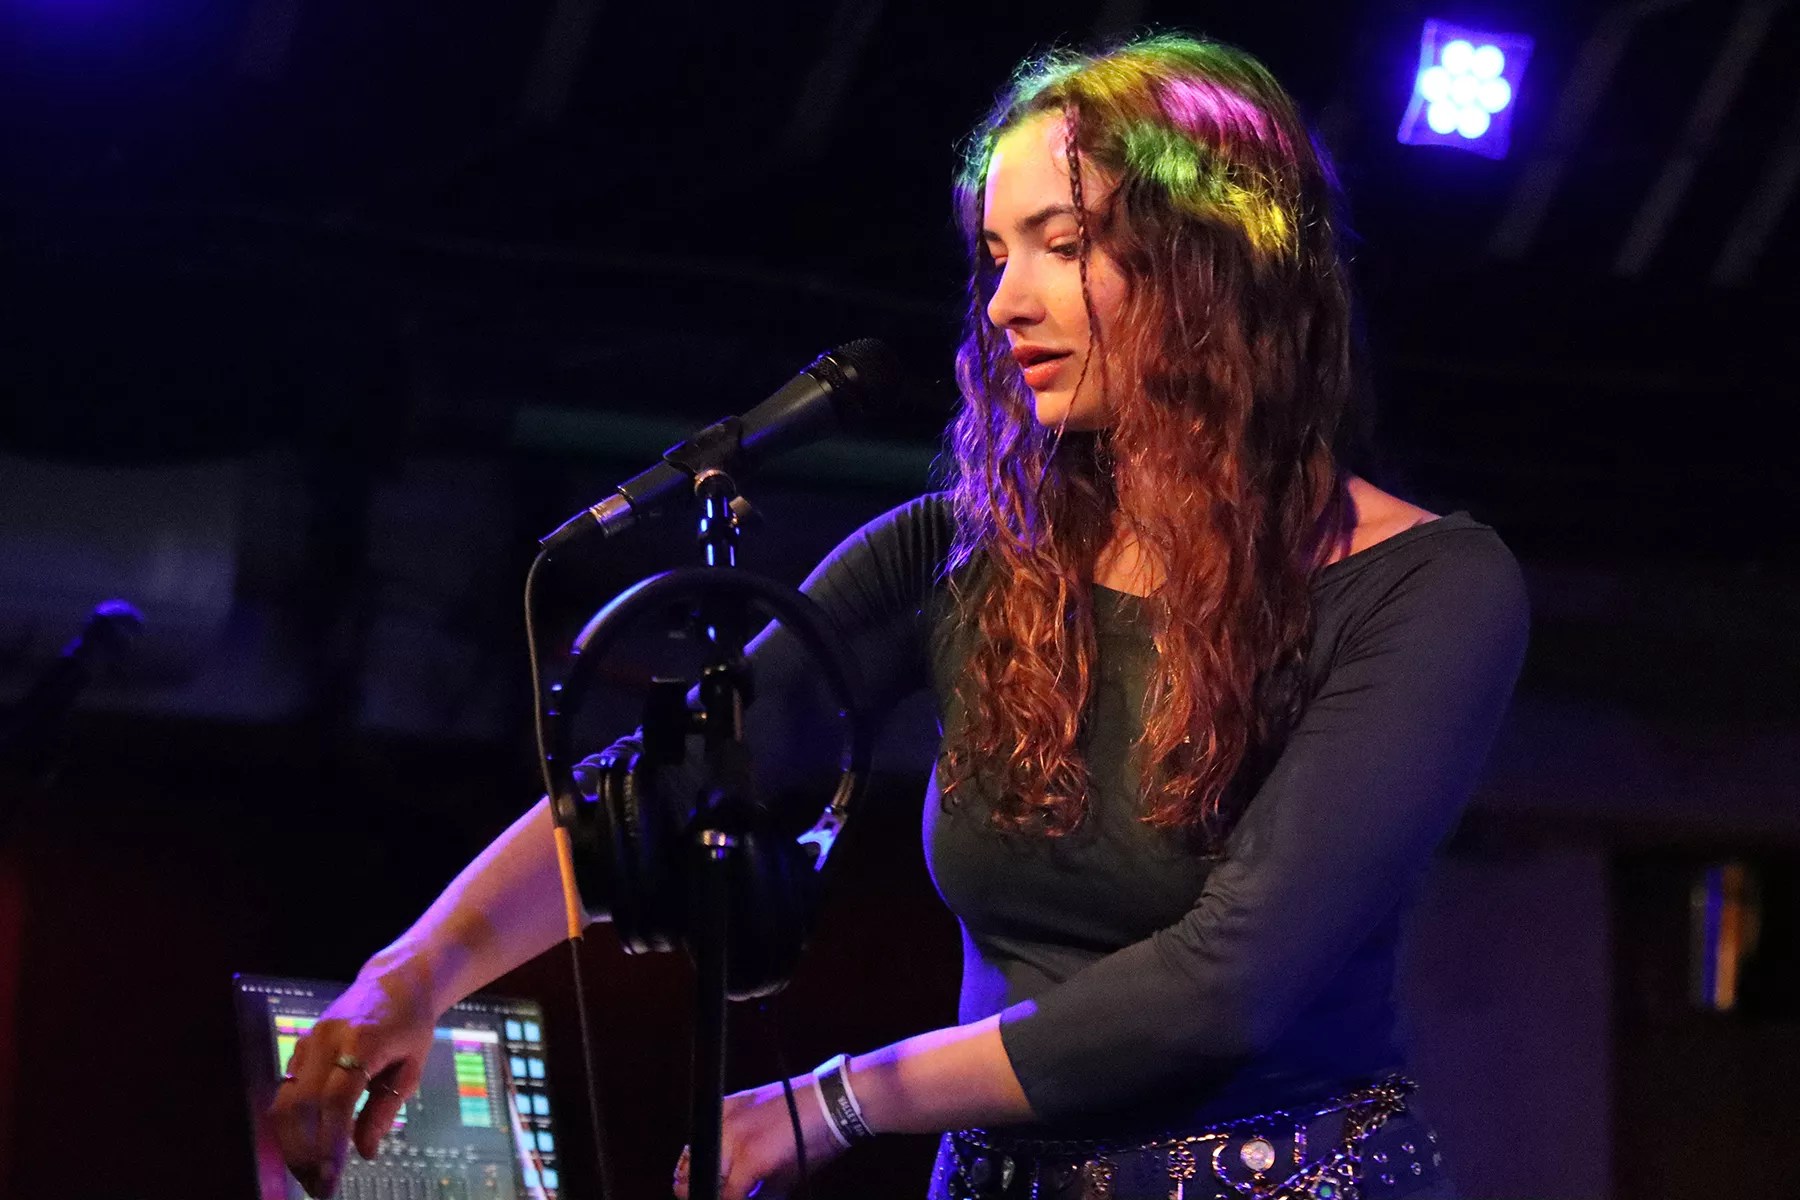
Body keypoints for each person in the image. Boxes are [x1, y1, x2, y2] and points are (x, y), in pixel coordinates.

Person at [272, 33, 1529, 1200]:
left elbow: (1225, 986)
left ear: (1215, 258)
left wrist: (835, 1102)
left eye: (1062, 244)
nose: (1006, 302)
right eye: (996, 255)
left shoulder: (1428, 588)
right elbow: (663, 794)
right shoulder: (960, 550)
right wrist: (407, 978)